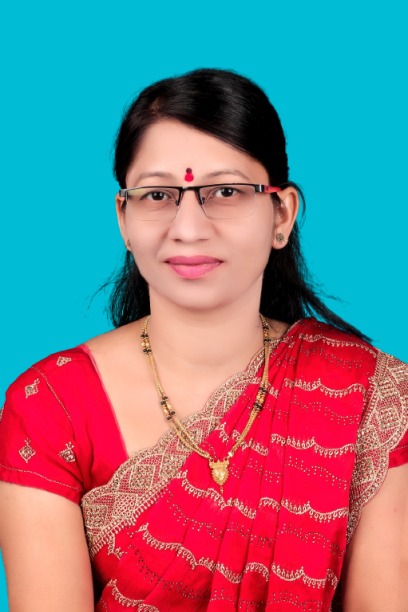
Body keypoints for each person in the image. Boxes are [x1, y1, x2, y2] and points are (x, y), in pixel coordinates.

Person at [0, 68, 407, 612]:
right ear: (124, 219)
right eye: (158, 195)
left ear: (282, 213)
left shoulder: (367, 395)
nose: (188, 228)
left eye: (225, 191)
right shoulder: (51, 406)